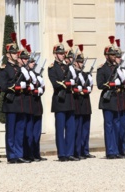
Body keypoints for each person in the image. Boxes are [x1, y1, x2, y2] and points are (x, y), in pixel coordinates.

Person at [0, 33, 31, 164]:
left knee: (19, 130)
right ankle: (11, 155)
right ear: (8, 55)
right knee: (11, 131)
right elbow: (3, 86)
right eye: (13, 53)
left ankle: (19, 154)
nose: (16, 54)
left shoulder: (20, 68)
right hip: (11, 103)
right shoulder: (4, 69)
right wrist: (16, 87)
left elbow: (28, 82)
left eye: (16, 52)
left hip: (21, 103)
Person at [96, 36, 125, 159]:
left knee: (119, 127)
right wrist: (112, 84)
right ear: (106, 56)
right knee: (109, 127)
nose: (114, 56)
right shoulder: (102, 69)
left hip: (119, 100)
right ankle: (111, 151)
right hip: (108, 101)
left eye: (114, 54)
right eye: (111, 54)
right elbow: (100, 85)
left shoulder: (119, 68)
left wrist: (124, 82)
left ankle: (120, 150)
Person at [48, 34, 78, 162]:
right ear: (55, 54)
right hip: (60, 101)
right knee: (60, 129)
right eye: (59, 53)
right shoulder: (52, 68)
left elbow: (75, 80)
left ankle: (70, 152)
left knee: (71, 128)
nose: (62, 55)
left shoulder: (68, 67)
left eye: (63, 53)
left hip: (69, 100)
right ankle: (62, 153)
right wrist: (66, 83)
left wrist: (71, 76)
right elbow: (55, 83)